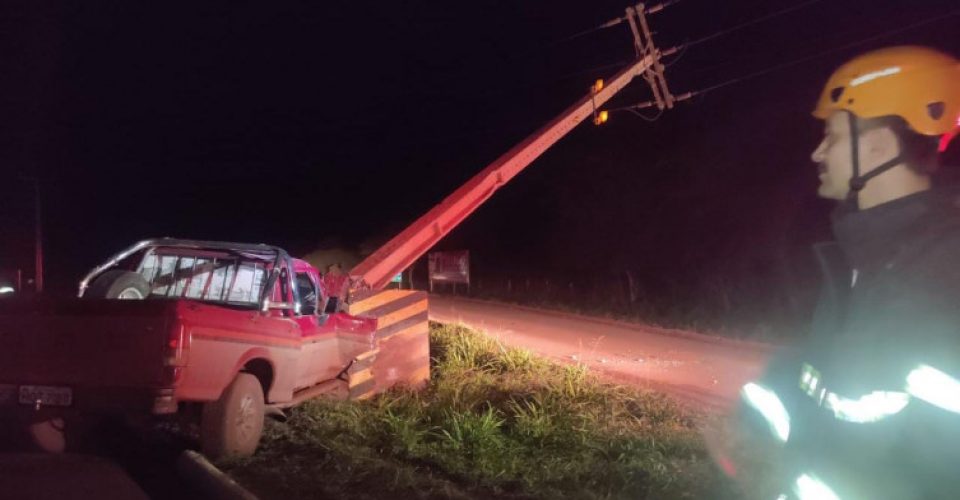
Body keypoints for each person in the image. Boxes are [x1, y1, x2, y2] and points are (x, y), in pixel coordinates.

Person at [737, 46, 960, 499]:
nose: (818, 152)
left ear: (878, 145)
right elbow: (834, 378)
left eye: (832, 136)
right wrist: (753, 417)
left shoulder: (942, 272)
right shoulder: (865, 257)